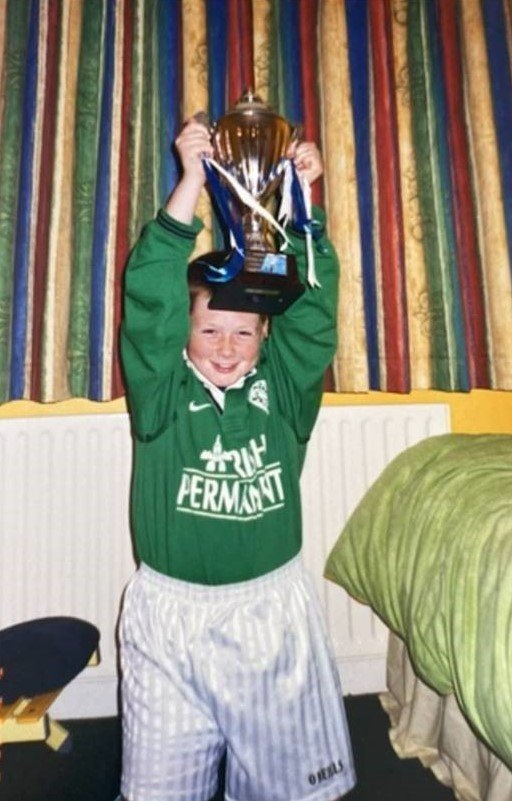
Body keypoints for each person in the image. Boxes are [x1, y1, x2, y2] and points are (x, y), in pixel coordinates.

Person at [119, 118, 356, 801]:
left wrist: (303, 210)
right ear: (185, 335)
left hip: (269, 618)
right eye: (210, 328)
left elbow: (313, 319)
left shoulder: (282, 392)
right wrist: (191, 183)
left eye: (244, 331)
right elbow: (148, 305)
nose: (227, 346)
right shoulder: (160, 396)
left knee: (289, 791)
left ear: (262, 336)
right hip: (169, 620)